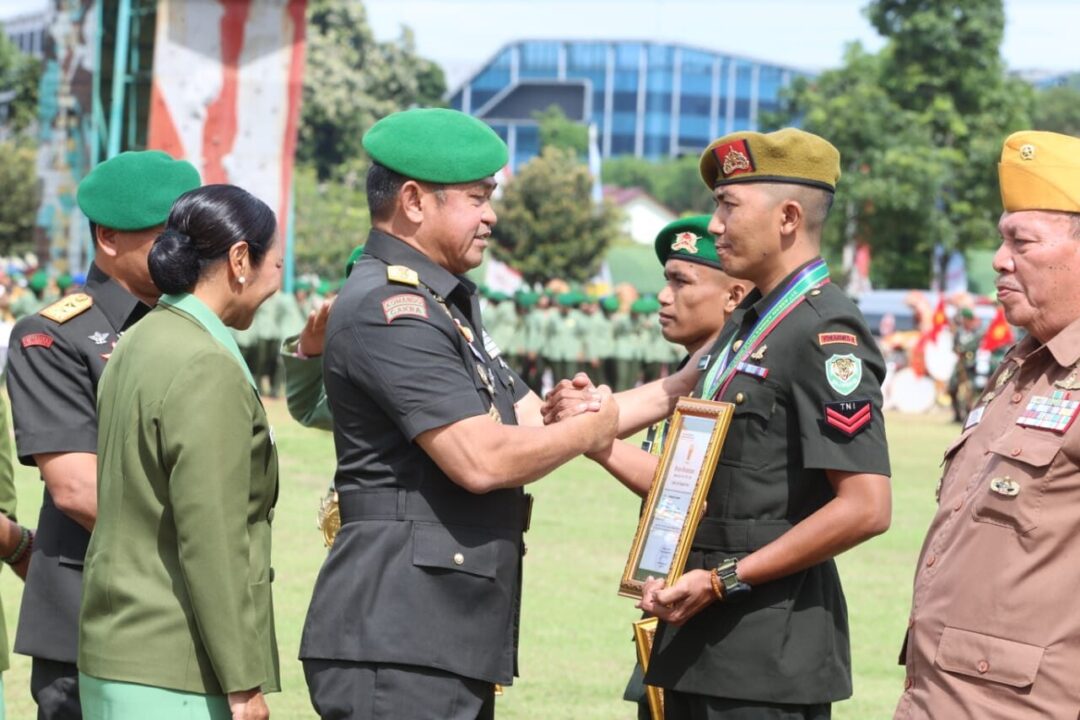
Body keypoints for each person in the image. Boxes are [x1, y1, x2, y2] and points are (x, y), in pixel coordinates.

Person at [546, 128, 892, 719]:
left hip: (764, 654)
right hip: (699, 637)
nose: (714, 224)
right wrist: (590, 418)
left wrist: (721, 580)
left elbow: (866, 507)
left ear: (787, 218)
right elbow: (686, 426)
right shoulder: (748, 324)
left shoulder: (824, 330)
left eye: (729, 205)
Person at [297, 107, 623, 720]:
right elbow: (478, 460)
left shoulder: (439, 303)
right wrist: (589, 431)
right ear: (414, 202)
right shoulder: (392, 310)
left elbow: (534, 419)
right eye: (477, 197)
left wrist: (677, 387)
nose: (491, 215)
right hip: (398, 635)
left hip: (431, 632)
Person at [6, 150, 200, 720]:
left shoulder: (191, 325)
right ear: (109, 238)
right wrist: (204, 546)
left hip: (183, 608)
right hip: (93, 615)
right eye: (165, 237)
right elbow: (77, 489)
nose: (184, 253)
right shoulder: (53, 336)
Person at [78, 184, 282, 720]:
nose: (277, 282)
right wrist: (243, 682)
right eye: (277, 264)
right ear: (240, 260)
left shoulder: (137, 339)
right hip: (177, 666)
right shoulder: (205, 361)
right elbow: (211, 534)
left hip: (115, 652)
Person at [894, 130, 1080, 718]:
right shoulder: (1024, 365)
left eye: (1021, 241)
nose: (1000, 259)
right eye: (1002, 239)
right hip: (940, 697)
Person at [599, 215, 749, 719]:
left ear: (733, 296)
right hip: (673, 603)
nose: (664, 297)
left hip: (718, 616)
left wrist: (595, 442)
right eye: (666, 280)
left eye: (681, 282)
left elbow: (689, 492)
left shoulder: (732, 378)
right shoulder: (695, 373)